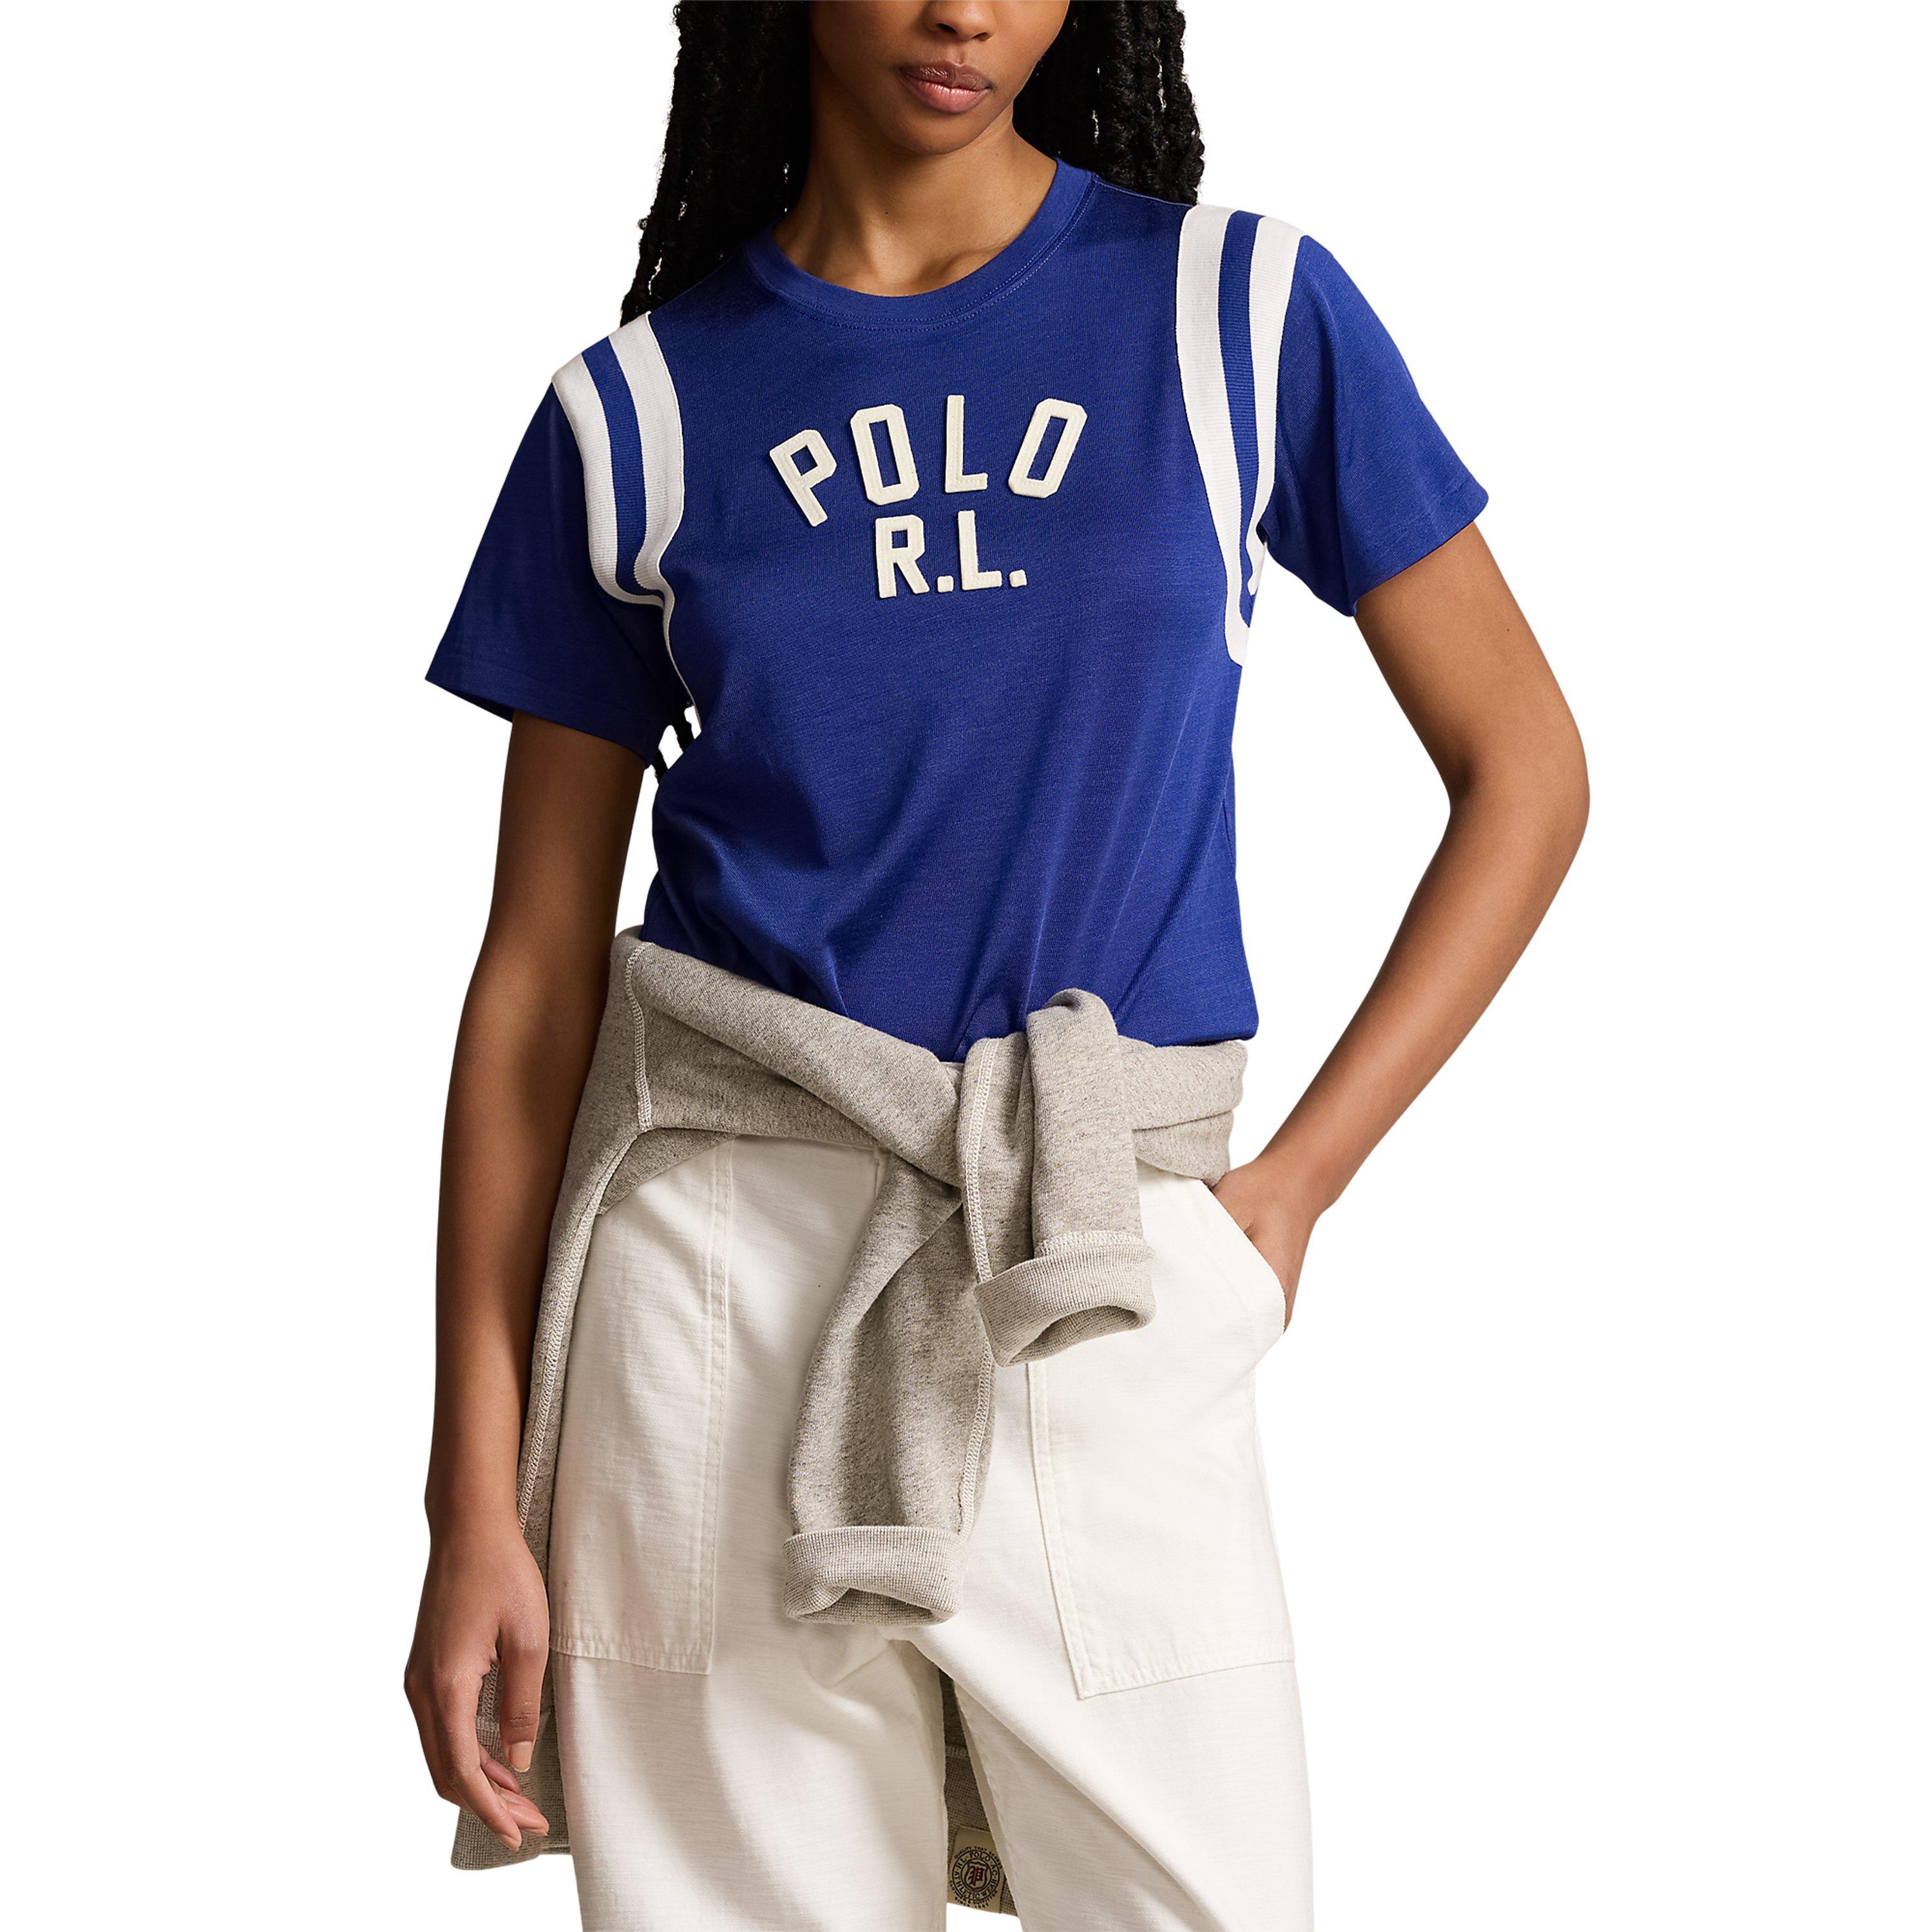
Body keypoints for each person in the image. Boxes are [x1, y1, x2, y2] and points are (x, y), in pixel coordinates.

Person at [405, 5, 1588, 1927]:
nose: (966, 9)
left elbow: (1526, 772)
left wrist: (1287, 1199)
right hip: (713, 1290)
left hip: (1092, 1257)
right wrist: (471, 1490)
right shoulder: (634, 414)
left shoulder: (1235, 315)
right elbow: (534, 982)